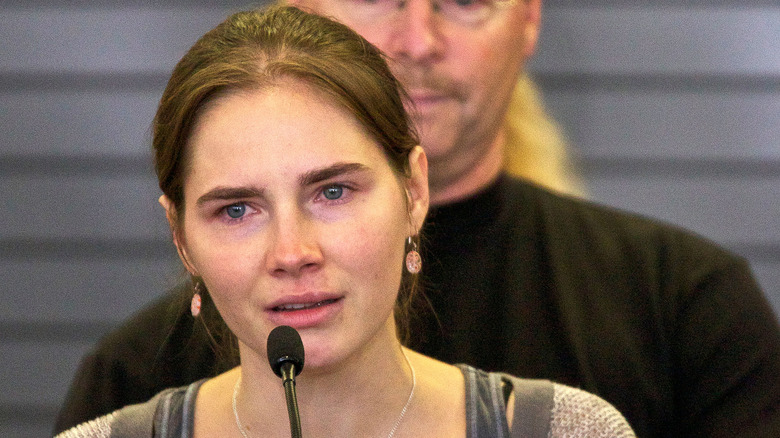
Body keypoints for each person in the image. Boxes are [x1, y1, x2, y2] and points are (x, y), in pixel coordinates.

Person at [55, 0, 780, 437]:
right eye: (237, 208)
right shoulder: (128, 390)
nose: (292, 250)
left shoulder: (639, 347)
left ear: (413, 192)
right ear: (181, 236)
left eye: (333, 191)